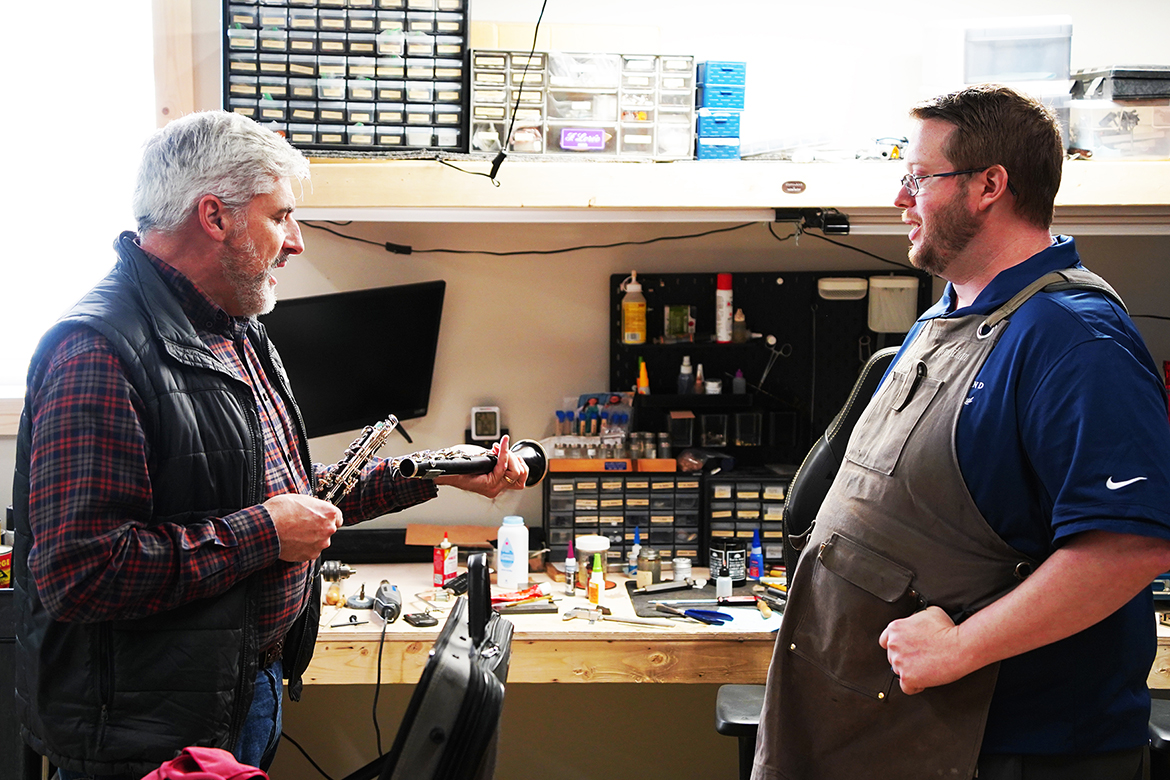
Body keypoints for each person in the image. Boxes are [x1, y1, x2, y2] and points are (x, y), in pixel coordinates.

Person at [11, 110, 530, 780]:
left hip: (240, 691)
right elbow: (80, 574)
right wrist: (262, 535)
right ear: (214, 216)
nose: (298, 242)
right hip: (146, 735)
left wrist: (434, 472)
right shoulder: (99, 351)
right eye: (281, 216)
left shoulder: (235, 330)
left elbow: (288, 491)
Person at [752, 84, 1170, 780]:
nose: (899, 197)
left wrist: (961, 647)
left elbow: (1130, 545)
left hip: (1017, 748)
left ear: (989, 186)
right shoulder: (948, 316)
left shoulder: (1072, 336)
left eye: (917, 176)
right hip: (902, 728)